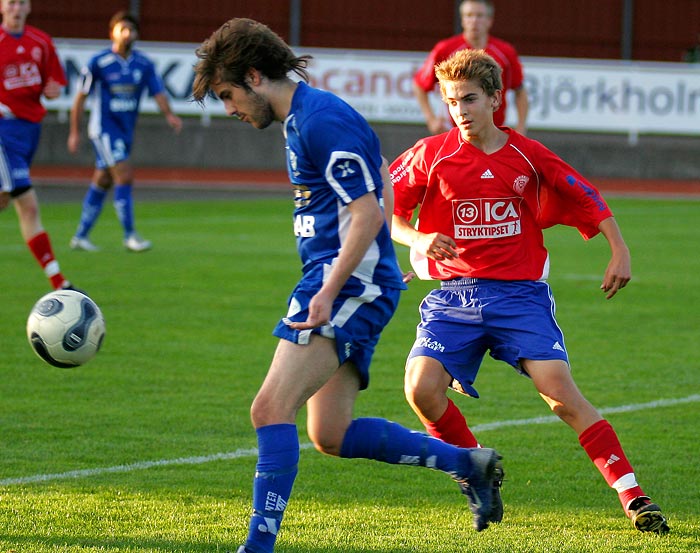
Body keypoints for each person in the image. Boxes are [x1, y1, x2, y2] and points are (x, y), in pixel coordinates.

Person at [191, 18, 504, 553]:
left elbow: (362, 213)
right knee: (329, 435)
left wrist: (333, 287)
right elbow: (380, 172)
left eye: (228, 95)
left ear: (254, 75)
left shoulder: (318, 121)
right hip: (356, 281)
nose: (230, 109)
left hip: (342, 285)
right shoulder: (306, 118)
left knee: (269, 410)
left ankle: (256, 548)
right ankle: (468, 463)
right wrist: (389, 254)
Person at [390, 48, 669, 535]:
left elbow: (585, 194)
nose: (460, 111)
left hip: (519, 296)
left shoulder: (527, 153)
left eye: (470, 99)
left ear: (496, 98)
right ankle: (474, 468)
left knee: (561, 397)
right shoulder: (431, 154)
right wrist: (417, 237)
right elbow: (383, 207)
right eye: (452, 101)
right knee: (420, 389)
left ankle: (633, 495)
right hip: (452, 297)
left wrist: (618, 248)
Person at [67, 10, 182, 253]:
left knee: (103, 179)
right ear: (113, 33)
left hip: (125, 130)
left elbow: (158, 92)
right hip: (104, 129)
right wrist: (74, 132)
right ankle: (130, 235)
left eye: (131, 29)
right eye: (122, 29)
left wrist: (170, 115)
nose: (127, 33)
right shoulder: (99, 63)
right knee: (124, 175)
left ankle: (80, 236)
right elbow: (80, 98)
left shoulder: (143, 64)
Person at [0, 0, 76, 291]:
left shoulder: (40, 42)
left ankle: (59, 281)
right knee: (27, 204)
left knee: (15, 204)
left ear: (28, 7)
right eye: (11, 2)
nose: (16, 8)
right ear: (2, 7)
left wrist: (54, 88)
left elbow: (55, 79)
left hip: (29, 131)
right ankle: (59, 282)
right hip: (4, 132)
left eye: (21, 2)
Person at [413, 0, 528, 136]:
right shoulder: (445, 50)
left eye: (479, 16)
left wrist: (521, 126)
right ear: (462, 20)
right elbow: (420, 84)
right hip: (456, 132)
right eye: (469, 15)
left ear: (489, 20)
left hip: (494, 133)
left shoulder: (505, 53)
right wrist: (431, 119)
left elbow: (520, 91)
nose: (474, 21)